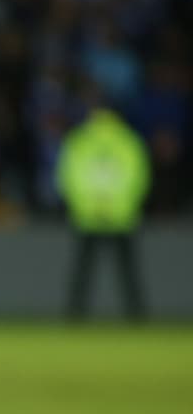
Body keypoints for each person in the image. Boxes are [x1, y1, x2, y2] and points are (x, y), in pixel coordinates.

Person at [57, 97, 152, 321]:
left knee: (83, 270)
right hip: (122, 215)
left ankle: (75, 315)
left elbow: (68, 177)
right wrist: (122, 203)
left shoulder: (79, 140)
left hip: (87, 215)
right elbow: (138, 177)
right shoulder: (129, 140)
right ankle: (136, 316)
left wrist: (86, 203)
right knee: (127, 271)